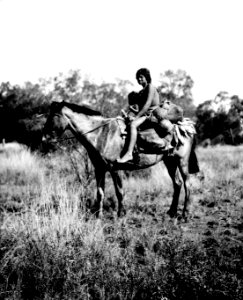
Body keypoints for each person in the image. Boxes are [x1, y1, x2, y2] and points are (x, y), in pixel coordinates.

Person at [117, 68, 175, 163]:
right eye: (137, 78)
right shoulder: (142, 91)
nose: (139, 80)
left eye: (141, 77)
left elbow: (147, 105)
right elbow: (139, 109)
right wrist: (130, 114)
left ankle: (129, 154)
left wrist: (136, 117)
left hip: (153, 115)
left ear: (146, 77)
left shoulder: (150, 87)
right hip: (145, 115)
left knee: (133, 125)